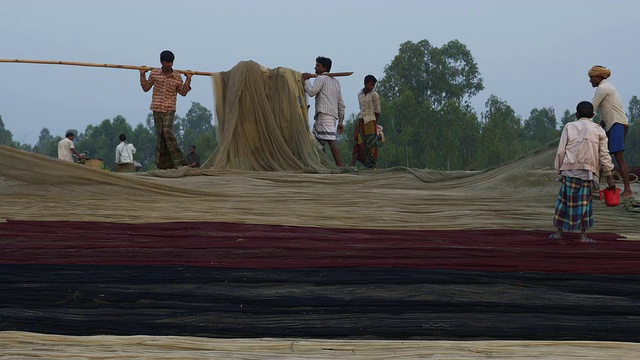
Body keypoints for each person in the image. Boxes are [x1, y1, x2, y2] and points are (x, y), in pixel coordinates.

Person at [550, 101, 616, 243]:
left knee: (564, 201)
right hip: (588, 173)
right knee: (585, 203)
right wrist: (609, 175)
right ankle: (583, 236)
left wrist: (559, 170)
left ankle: (559, 233)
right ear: (593, 115)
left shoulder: (569, 126)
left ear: (576, 114)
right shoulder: (598, 130)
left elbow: (561, 151)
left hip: (569, 170)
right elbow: (604, 154)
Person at [140, 50, 192, 169]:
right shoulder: (154, 74)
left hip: (169, 108)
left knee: (167, 131)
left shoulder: (177, 77)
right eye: (167, 62)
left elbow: (183, 92)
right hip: (157, 108)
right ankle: (163, 164)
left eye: (171, 62)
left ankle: (180, 161)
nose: (169, 65)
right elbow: (146, 88)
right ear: (162, 62)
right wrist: (142, 74)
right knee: (161, 136)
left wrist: (188, 79)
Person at [588, 65, 633, 198]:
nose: (590, 81)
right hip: (612, 124)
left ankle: (628, 190)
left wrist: (581, 121)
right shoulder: (606, 87)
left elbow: (591, 108)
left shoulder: (603, 88)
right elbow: (609, 109)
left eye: (591, 78)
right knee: (602, 156)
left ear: (598, 77)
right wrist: (600, 124)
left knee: (619, 158)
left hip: (617, 124)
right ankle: (595, 188)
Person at [302, 56, 346, 167]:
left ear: (324, 67)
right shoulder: (336, 82)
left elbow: (311, 92)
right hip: (330, 116)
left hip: (324, 115)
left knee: (331, 140)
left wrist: (306, 80)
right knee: (318, 143)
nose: (315, 68)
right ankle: (323, 165)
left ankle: (340, 166)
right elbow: (341, 104)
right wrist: (340, 121)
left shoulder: (321, 78)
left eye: (318, 66)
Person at [350, 75, 382, 168]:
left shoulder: (374, 95)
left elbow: (378, 111)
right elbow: (361, 108)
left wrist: (375, 123)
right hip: (361, 121)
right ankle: (352, 165)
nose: (372, 87)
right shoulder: (359, 94)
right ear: (365, 83)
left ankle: (371, 165)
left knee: (371, 144)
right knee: (357, 142)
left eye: (373, 86)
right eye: (370, 85)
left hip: (370, 121)